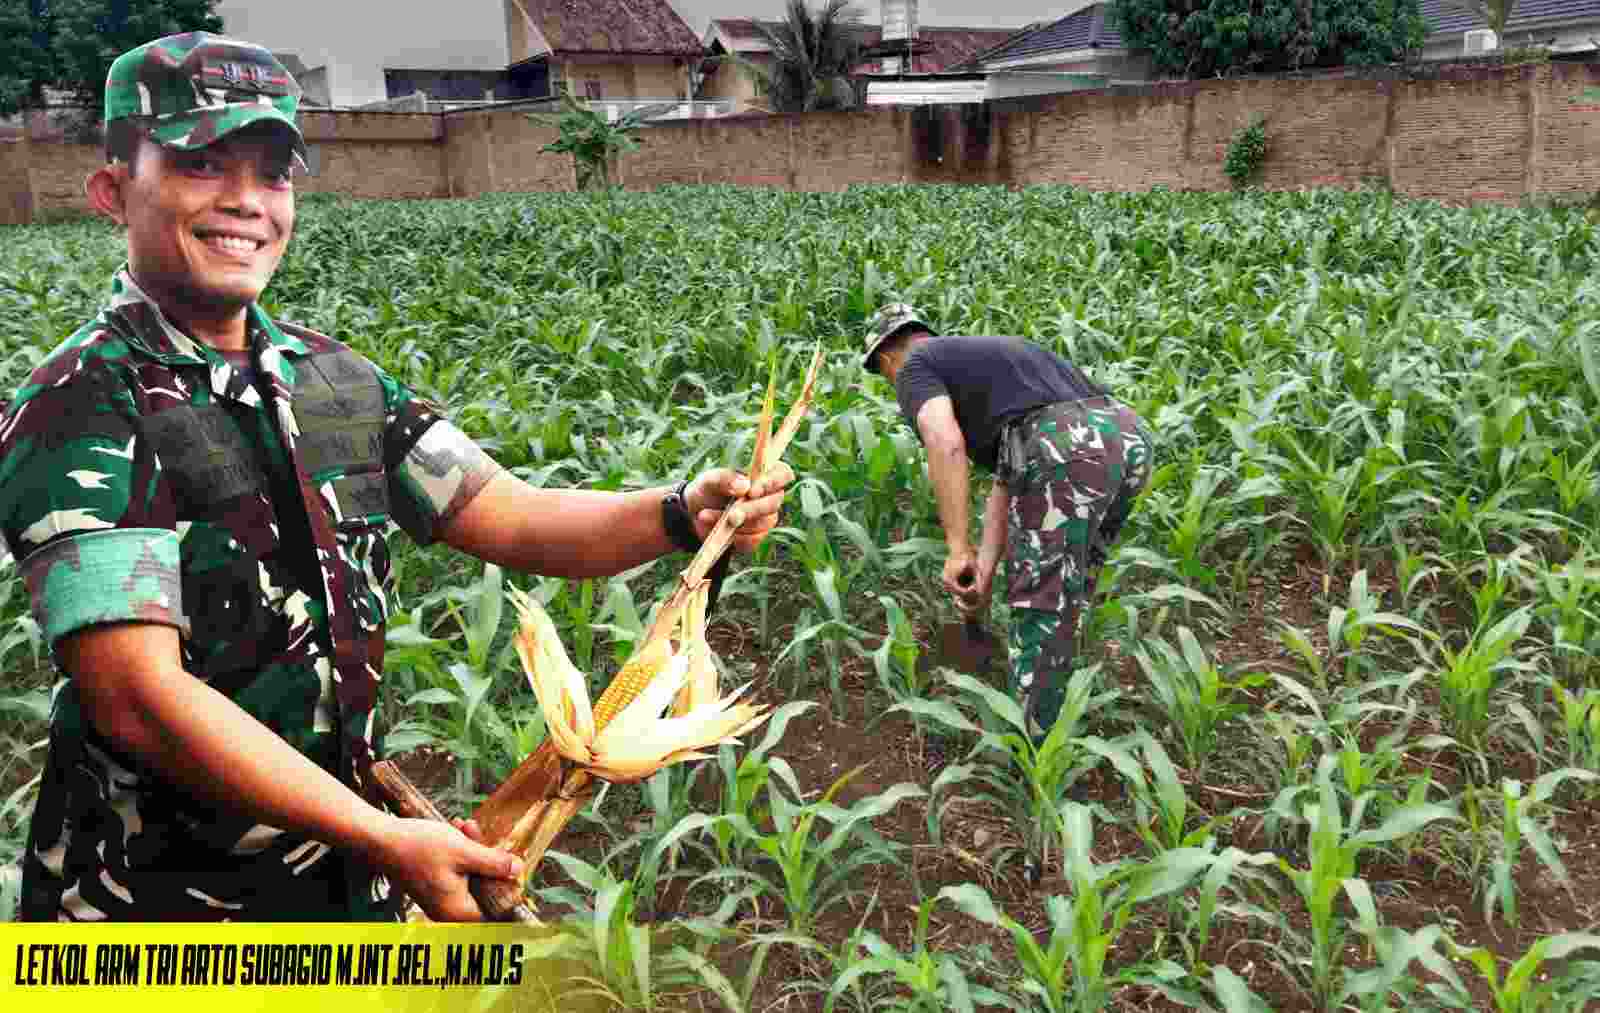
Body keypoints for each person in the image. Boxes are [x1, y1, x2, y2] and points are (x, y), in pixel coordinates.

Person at [0, 33, 792, 923]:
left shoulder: (333, 382)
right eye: (200, 164)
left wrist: (683, 512)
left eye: (272, 173)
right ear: (113, 190)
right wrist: (382, 836)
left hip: (339, 887)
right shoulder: (84, 401)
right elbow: (137, 695)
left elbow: (508, 512)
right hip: (150, 911)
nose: (245, 203)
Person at [861, 303, 1153, 740]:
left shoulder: (913, 367)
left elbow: (945, 444)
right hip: (1126, 437)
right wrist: (985, 566)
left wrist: (957, 546)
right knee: (1066, 588)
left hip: (1064, 447)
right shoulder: (991, 361)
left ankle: (1038, 748)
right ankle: (1063, 702)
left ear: (886, 359)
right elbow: (1008, 476)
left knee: (1040, 601)